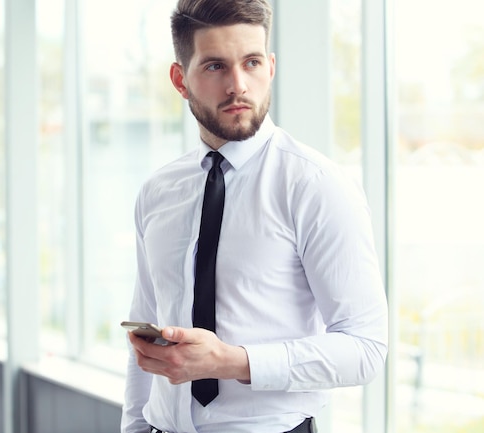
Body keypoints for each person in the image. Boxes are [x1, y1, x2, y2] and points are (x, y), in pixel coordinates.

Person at [121, 0, 388, 432]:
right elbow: (143, 341)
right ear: (179, 79)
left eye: (252, 62)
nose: (238, 85)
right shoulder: (158, 192)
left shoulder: (316, 186)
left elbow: (365, 349)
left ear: (271, 66)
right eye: (214, 67)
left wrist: (231, 361)